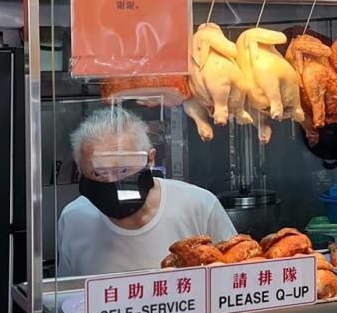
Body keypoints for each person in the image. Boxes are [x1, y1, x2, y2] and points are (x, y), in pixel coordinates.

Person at [57, 106, 235, 277]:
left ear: (150, 159)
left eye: (123, 170)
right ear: (80, 170)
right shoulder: (74, 219)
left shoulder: (199, 206)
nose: (111, 181)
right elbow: (68, 292)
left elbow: (239, 276)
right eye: (98, 173)